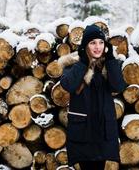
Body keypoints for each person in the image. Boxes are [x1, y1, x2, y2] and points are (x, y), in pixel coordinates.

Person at [59, 24, 127, 169]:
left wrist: (109, 60)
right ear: (85, 45)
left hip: (103, 130)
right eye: (93, 43)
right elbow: (69, 85)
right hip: (84, 131)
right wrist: (83, 62)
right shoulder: (73, 64)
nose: (98, 47)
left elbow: (118, 86)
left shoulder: (108, 65)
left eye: (101, 42)